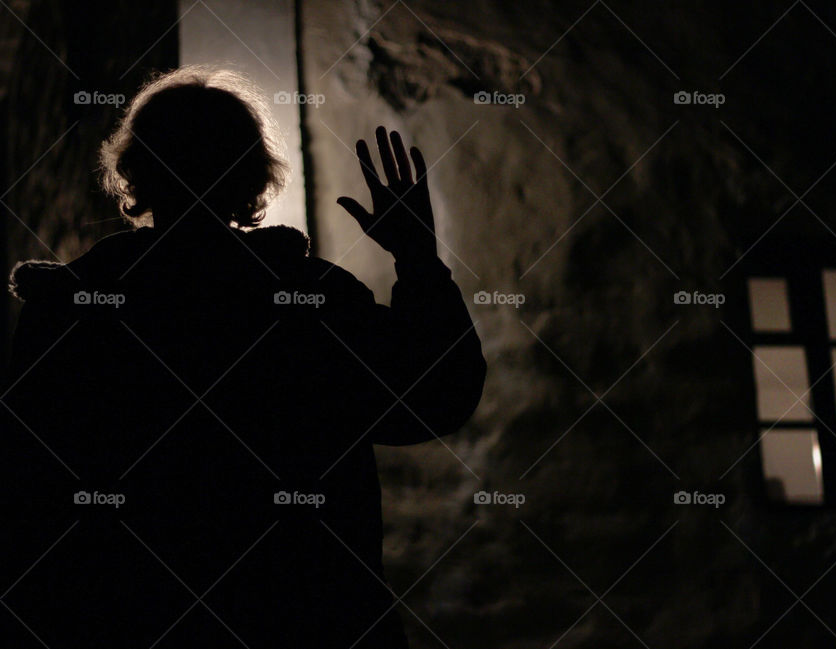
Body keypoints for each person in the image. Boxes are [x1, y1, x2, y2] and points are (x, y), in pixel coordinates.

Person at [2, 66, 485, 648]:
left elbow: (26, 504)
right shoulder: (316, 304)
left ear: (134, 174)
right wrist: (418, 262)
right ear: (255, 178)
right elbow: (435, 398)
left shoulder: (69, 312)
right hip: (307, 620)